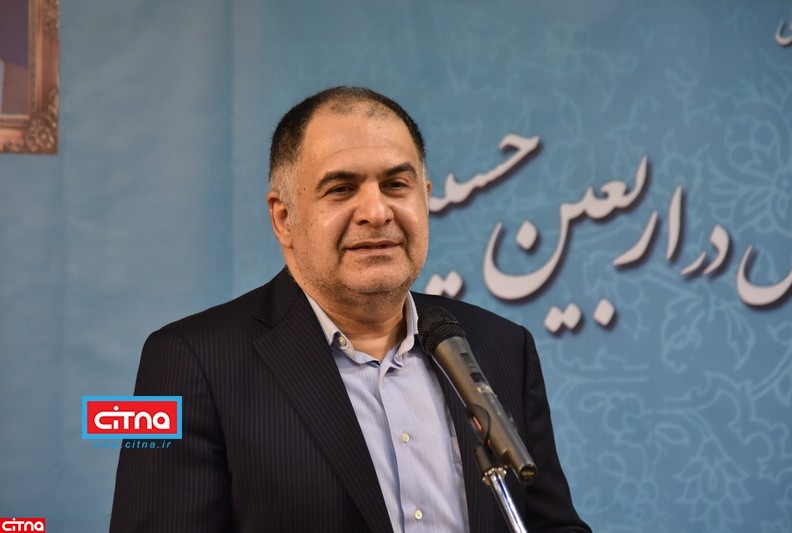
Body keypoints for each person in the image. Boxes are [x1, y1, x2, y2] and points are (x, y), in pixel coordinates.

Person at [110, 86, 591, 532]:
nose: (376, 212)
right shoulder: (182, 360)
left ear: (425, 199)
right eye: (341, 189)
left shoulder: (501, 346)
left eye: (396, 185)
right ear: (284, 217)